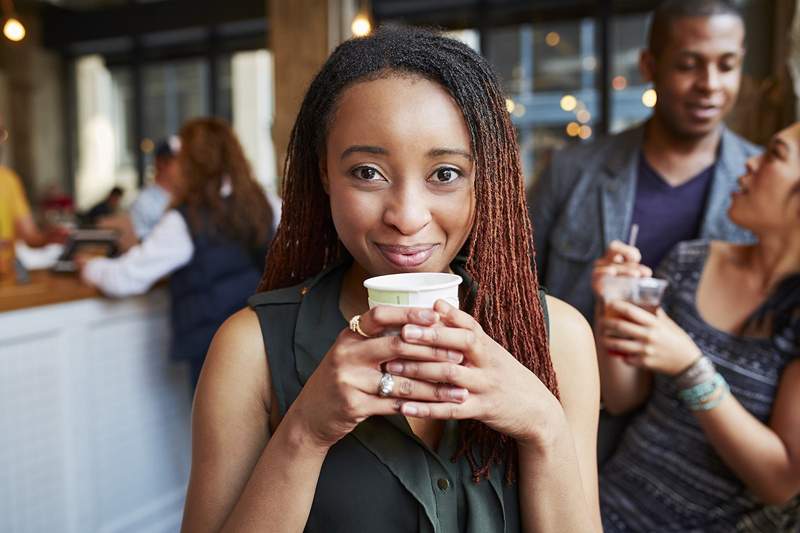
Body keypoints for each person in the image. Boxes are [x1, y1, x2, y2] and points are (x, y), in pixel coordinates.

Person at [181, 26, 601, 533]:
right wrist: (304, 433)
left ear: (484, 179)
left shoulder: (560, 338)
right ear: (323, 175)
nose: (406, 215)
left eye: (445, 173)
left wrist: (543, 426)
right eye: (367, 172)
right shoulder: (250, 351)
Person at [593, 123, 800, 532]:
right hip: (608, 504)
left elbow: (782, 481)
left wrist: (691, 367)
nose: (749, 162)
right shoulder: (690, 261)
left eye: (774, 154)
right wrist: (612, 306)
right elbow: (622, 398)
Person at [528, 0, 759, 324]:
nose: (710, 84)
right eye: (688, 65)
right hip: (577, 372)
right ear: (650, 66)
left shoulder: (765, 182)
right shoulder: (570, 171)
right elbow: (510, 286)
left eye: (727, 65)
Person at [80, 118, 274, 390]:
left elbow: (126, 278)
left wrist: (90, 267)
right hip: (260, 334)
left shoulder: (187, 219)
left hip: (213, 346)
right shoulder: (262, 202)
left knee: (218, 431)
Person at [130, 136, 180, 240]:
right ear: (161, 163)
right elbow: (141, 244)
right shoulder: (144, 202)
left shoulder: (185, 195)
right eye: (178, 162)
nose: (184, 167)